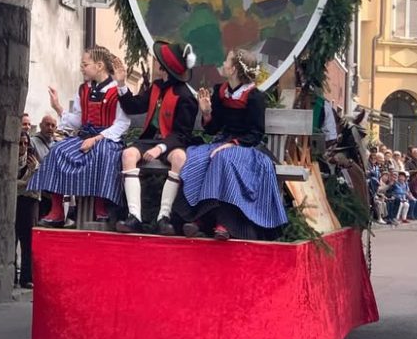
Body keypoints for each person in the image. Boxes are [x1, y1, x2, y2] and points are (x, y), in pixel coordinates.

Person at [178, 49, 287, 240]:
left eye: (227, 62)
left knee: (222, 157)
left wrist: (233, 144)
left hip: (246, 147)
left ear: (235, 69)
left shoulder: (254, 97)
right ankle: (199, 217)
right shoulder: (221, 91)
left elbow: (256, 133)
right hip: (222, 142)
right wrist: (206, 113)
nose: (224, 64)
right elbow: (213, 129)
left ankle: (224, 223)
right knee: (197, 157)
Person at [29, 46, 130, 226]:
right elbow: (78, 119)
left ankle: (101, 206)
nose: (81, 67)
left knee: (103, 153)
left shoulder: (117, 90)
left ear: (99, 66)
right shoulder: (83, 89)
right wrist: (58, 107)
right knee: (57, 150)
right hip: (84, 136)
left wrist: (97, 138)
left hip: (107, 138)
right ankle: (57, 209)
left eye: (85, 64)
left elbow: (122, 123)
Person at [113, 42, 198, 236]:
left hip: (172, 143)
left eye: (159, 61)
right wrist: (121, 84)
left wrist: (160, 148)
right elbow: (133, 107)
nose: (156, 62)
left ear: (164, 67)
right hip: (150, 141)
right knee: (128, 154)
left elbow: (182, 135)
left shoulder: (185, 96)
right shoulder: (156, 87)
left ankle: (164, 218)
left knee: (179, 159)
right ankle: (134, 217)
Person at [16, 131, 40, 288]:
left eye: (26, 143)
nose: (23, 147)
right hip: (17, 201)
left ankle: (26, 277)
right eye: (20, 143)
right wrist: (25, 181)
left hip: (29, 202)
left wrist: (31, 172)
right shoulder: (11, 161)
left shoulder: (33, 162)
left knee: (28, 240)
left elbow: (33, 184)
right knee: (13, 238)